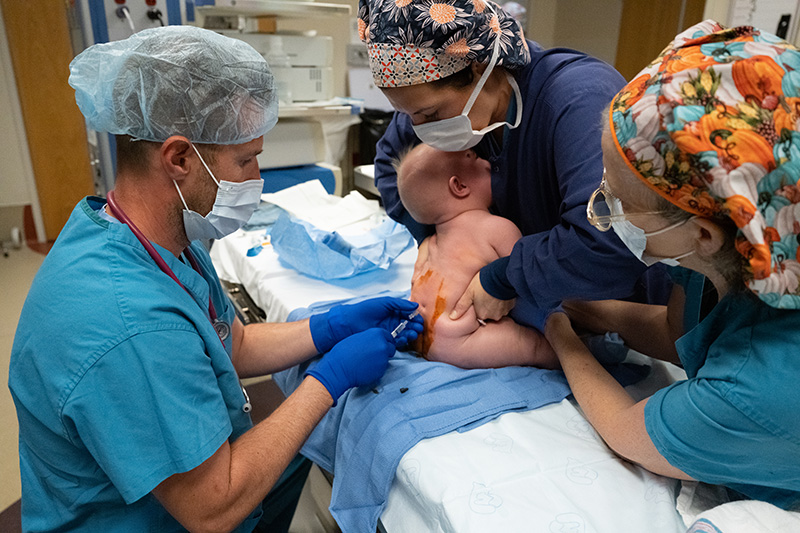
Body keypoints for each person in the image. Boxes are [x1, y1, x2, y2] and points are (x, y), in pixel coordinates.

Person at [7, 26, 422, 532]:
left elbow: (231, 341)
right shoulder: (130, 323)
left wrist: (329, 327)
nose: (257, 178)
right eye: (246, 160)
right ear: (179, 158)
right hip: (154, 517)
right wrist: (328, 380)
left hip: (198, 481)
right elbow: (213, 507)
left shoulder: (152, 237)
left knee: (329, 462)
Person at [540, 21, 800, 509]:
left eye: (615, 199)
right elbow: (680, 333)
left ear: (702, 233)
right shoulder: (745, 238)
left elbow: (624, 430)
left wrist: (557, 334)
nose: (602, 209)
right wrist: (582, 308)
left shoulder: (761, 387)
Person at [358, 0, 672, 329]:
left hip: (620, 312)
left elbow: (611, 237)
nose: (419, 128)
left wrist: (506, 276)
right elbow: (391, 167)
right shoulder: (436, 98)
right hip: (529, 309)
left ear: (480, 68)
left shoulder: (577, 99)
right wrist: (436, 233)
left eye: (430, 115)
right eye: (409, 115)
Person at [396, 143, 557, 369]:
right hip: (462, 341)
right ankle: (597, 353)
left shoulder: (428, 243)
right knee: (535, 346)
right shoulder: (496, 228)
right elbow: (529, 275)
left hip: (420, 336)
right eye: (474, 157)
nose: (488, 161)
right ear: (459, 185)